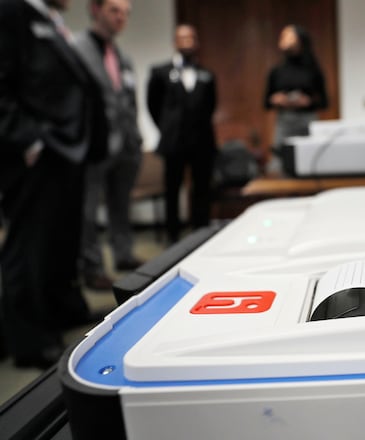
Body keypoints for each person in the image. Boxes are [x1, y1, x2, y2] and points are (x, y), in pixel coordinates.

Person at [0, 0, 108, 368]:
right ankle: (28, 339)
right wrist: (26, 139)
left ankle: (62, 309)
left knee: (61, 238)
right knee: (29, 243)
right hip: (36, 151)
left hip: (67, 150)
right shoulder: (10, 12)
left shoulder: (52, 21)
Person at [73, 0, 143, 290]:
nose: (121, 18)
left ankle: (123, 254)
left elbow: (128, 99)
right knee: (87, 211)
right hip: (94, 145)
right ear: (95, 9)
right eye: (115, 10)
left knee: (120, 205)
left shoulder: (122, 57)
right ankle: (92, 267)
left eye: (126, 13)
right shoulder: (77, 49)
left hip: (126, 145)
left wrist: (135, 137)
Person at [146, 24, 217, 244]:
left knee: (201, 189)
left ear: (196, 42)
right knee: (172, 189)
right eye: (182, 38)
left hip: (202, 141)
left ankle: (201, 234)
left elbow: (211, 105)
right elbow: (153, 105)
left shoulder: (207, 75)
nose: (187, 42)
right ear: (175, 42)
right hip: (174, 142)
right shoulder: (160, 72)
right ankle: (173, 237)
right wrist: (167, 129)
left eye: (191, 38)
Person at [263, 24, 328, 171]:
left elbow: (324, 102)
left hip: (307, 120)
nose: (284, 39)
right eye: (283, 36)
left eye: (289, 35)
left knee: (310, 160)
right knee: (279, 162)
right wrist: (277, 99)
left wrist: (308, 101)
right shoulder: (276, 71)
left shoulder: (313, 70)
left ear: (300, 40)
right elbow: (266, 102)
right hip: (284, 121)